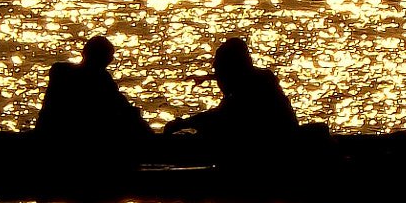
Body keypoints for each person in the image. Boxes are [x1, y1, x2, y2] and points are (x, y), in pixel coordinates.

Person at [165, 36, 299, 161]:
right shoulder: (255, 83)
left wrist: (183, 124)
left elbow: (220, 117)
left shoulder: (253, 91)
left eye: (220, 72)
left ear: (232, 71)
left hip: (273, 154)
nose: (218, 81)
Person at [32, 36, 152, 169]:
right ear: (106, 59)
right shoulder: (100, 79)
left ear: (84, 53)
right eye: (109, 57)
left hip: (48, 140)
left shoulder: (59, 72)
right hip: (80, 147)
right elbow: (125, 111)